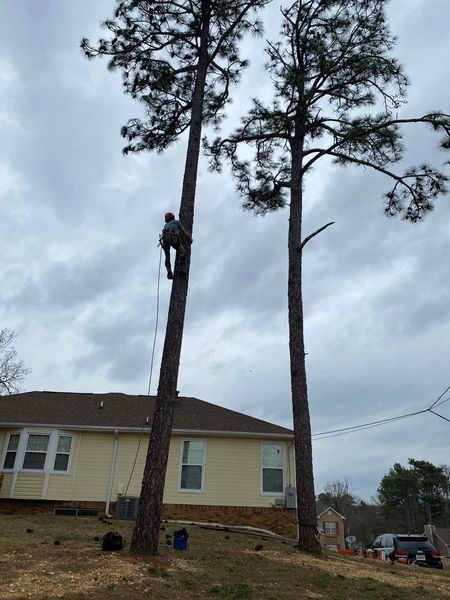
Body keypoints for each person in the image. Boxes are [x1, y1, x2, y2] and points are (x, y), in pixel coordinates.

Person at [161, 212, 192, 280]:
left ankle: (169, 272)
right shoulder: (176, 222)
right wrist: (189, 238)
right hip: (172, 238)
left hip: (164, 240)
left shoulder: (165, 226)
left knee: (167, 257)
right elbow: (183, 231)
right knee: (183, 252)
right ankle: (179, 267)